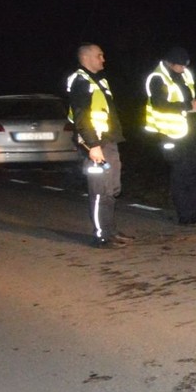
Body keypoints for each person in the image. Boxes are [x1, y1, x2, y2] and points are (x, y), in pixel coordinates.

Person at [66, 43, 132, 248]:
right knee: (99, 190)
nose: (103, 59)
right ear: (86, 58)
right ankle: (101, 236)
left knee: (111, 188)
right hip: (95, 145)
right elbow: (81, 117)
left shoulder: (99, 81)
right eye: (99, 55)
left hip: (108, 141)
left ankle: (110, 230)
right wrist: (93, 145)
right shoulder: (80, 81)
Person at [145, 47, 196, 225]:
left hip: (190, 130)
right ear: (170, 63)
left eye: (185, 65)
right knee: (181, 173)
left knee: (195, 170)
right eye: (180, 65)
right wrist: (187, 105)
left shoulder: (185, 75)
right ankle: (185, 215)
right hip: (171, 133)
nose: (183, 68)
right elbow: (159, 105)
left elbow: (190, 94)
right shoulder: (157, 78)